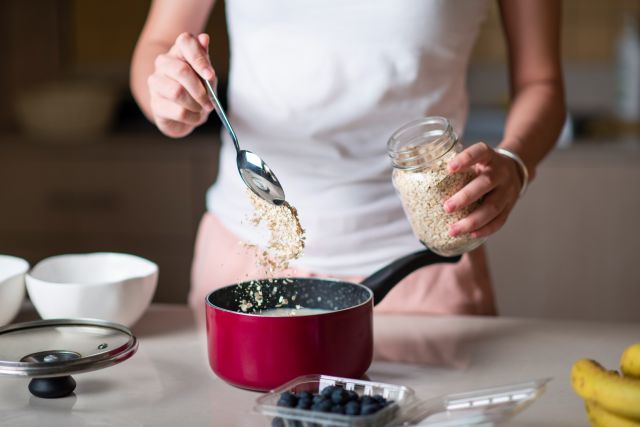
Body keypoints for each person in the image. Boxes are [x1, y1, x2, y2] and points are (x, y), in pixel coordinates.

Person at [130, 0, 565, 314]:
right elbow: (158, 43)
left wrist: (516, 161)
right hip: (248, 258)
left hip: (422, 267)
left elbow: (541, 81)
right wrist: (166, 95)